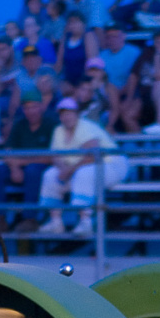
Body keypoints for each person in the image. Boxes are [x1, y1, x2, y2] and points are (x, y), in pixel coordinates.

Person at [37, 98, 128, 236]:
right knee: (50, 174)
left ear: (77, 113)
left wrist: (68, 170)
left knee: (84, 174)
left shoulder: (85, 126)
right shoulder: (58, 130)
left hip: (112, 164)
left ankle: (85, 222)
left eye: (70, 113)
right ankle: (55, 221)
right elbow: (55, 155)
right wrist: (62, 169)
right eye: (63, 113)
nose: (66, 116)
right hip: (78, 168)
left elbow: (93, 155)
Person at [0, 88, 58, 234]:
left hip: (42, 167)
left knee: (33, 171)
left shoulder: (51, 124)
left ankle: (30, 219)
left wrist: (20, 163)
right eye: (26, 107)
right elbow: (7, 150)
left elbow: (51, 156)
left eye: (34, 107)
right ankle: (0, 219)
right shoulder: (20, 124)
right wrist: (14, 168)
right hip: (19, 166)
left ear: (41, 106)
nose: (30, 111)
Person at [100, 24, 140, 132]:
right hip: (108, 95)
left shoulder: (134, 52)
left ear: (123, 36)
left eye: (115, 36)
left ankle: (139, 145)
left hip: (130, 94)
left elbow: (135, 77)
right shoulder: (102, 55)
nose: (111, 40)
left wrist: (121, 93)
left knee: (127, 113)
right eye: (109, 37)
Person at [56, 10, 99, 93]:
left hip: (85, 82)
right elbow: (59, 64)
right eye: (70, 22)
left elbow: (92, 65)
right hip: (68, 82)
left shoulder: (88, 36)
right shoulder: (65, 38)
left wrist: (80, 86)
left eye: (76, 22)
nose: (73, 25)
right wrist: (59, 81)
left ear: (83, 24)